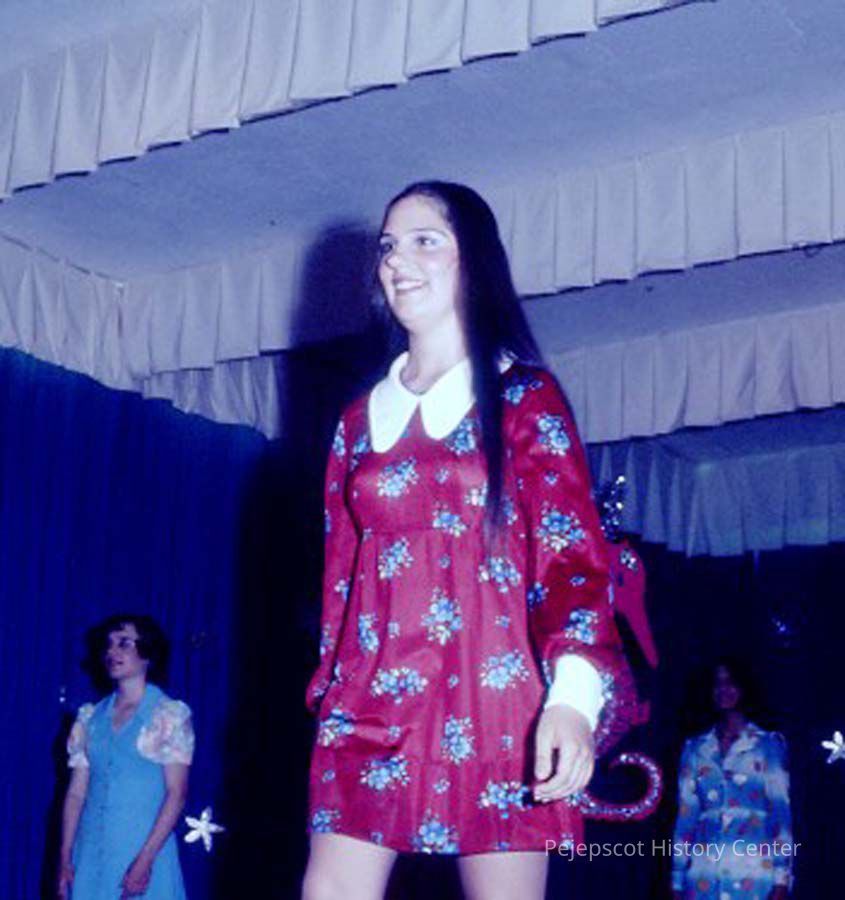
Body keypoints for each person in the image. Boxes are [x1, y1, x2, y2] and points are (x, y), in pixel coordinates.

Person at [301, 181, 638, 900]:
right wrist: (330, 686)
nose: (397, 260)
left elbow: (572, 556)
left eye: (425, 241)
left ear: (474, 260)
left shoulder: (522, 396)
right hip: (371, 693)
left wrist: (573, 699)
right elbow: (340, 576)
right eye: (388, 246)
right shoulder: (358, 420)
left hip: (492, 695)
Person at [58, 614, 194, 899]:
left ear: (148, 653)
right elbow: (76, 794)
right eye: (108, 644)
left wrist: (145, 860)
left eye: (124, 643)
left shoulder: (168, 715)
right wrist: (65, 856)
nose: (112, 651)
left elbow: (177, 794)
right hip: (90, 856)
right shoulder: (90, 718)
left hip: (143, 854)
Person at [671, 659, 793, 899]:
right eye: (717, 683)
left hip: (754, 878)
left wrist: (782, 879)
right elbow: (686, 818)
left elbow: (781, 815)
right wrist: (676, 879)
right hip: (704, 879)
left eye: (730, 682)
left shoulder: (768, 745)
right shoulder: (696, 748)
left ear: (744, 687)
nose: (723, 689)